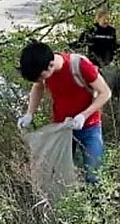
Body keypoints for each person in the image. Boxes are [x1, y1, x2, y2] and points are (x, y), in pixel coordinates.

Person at [17, 42, 112, 183]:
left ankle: (99, 203)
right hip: (62, 129)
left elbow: (105, 92)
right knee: (58, 175)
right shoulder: (44, 71)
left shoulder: (78, 65)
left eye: (41, 77)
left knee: (94, 175)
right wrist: (29, 113)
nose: (41, 80)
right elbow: (38, 88)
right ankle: (68, 204)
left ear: (50, 65)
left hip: (89, 127)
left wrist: (83, 115)